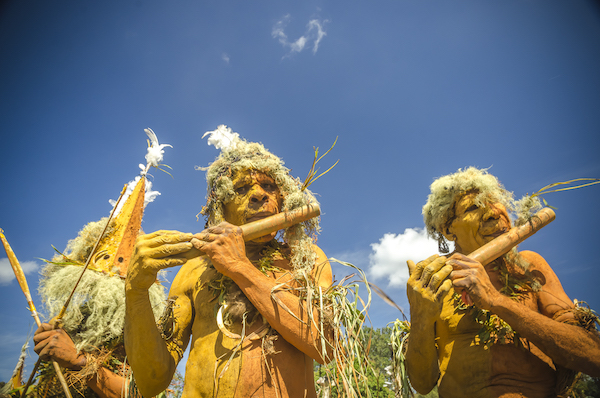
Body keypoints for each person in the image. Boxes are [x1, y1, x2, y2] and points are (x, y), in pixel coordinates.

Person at [124, 126, 333, 398]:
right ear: (221, 206)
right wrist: (136, 292)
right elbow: (152, 382)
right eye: (242, 189)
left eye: (269, 186)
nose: (259, 195)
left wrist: (239, 267)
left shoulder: (306, 258)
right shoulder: (193, 271)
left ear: (283, 199)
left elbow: (325, 347)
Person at [405, 167, 600, 398]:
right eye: (473, 207)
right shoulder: (437, 282)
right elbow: (422, 384)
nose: (493, 213)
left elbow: (593, 356)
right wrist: (421, 316)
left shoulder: (529, 265)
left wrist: (496, 301)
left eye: (495, 202)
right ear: (448, 230)